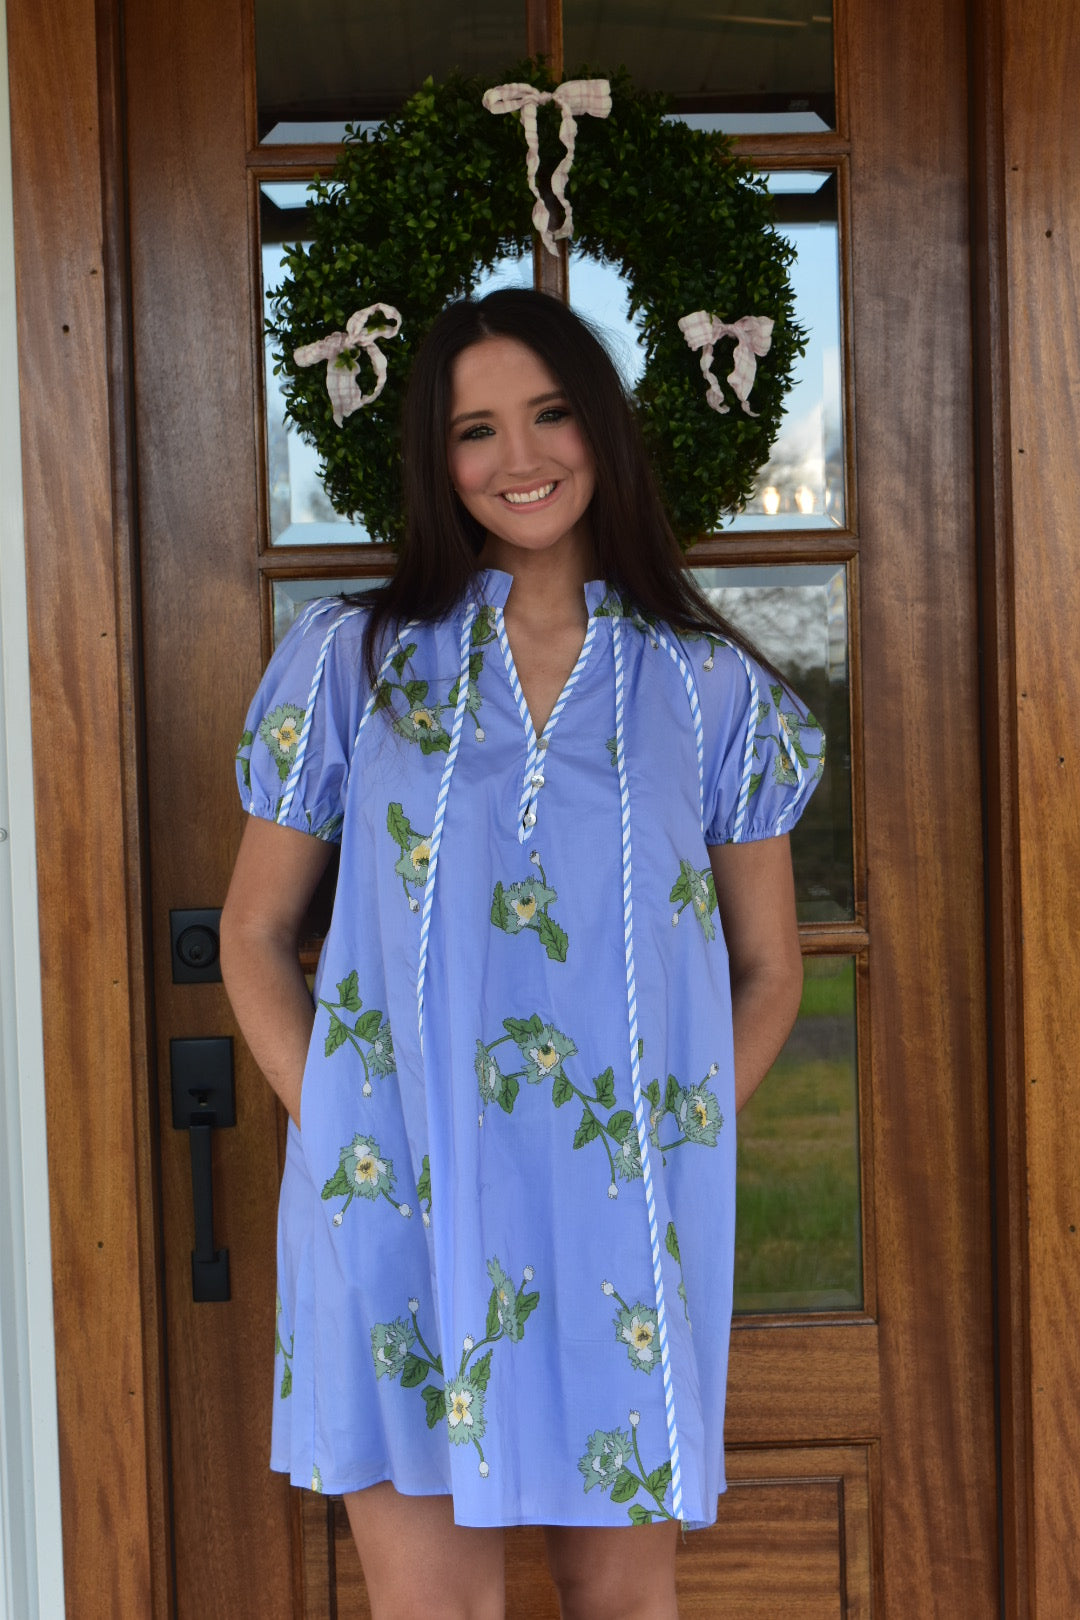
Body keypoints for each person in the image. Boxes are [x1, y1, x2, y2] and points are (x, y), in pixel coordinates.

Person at [220, 288, 823, 1620]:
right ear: (436, 464)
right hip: (397, 1217)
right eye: (473, 430)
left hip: (622, 1225)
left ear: (600, 428)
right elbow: (252, 933)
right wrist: (340, 1120)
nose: (520, 456)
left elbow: (770, 968)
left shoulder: (709, 691)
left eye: (548, 413)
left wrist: (675, 1141)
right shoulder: (349, 662)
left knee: (623, 1604)